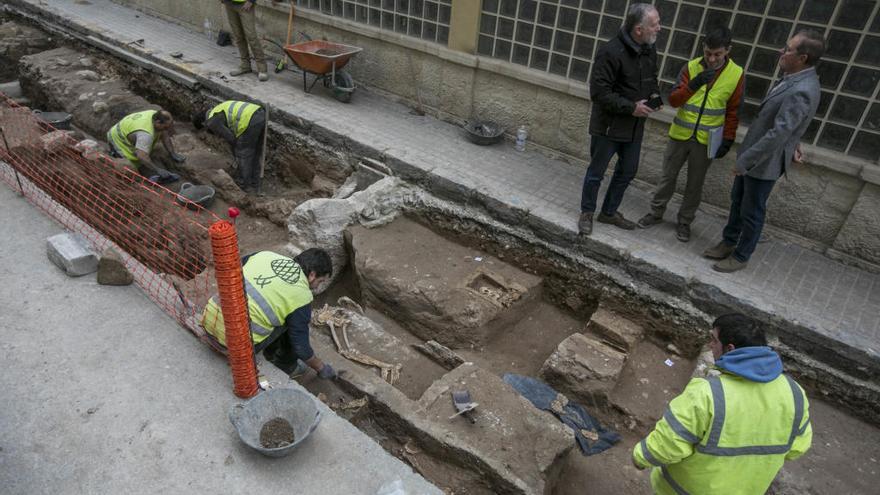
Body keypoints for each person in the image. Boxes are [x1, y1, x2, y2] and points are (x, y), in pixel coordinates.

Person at [632, 313, 812, 494]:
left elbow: (667, 445)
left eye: (714, 340)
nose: (710, 345)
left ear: (729, 348)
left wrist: (640, 457)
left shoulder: (706, 395)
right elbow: (797, 449)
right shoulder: (794, 393)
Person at [704, 30, 825, 272]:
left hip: (763, 162)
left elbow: (779, 133)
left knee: (752, 210)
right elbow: (789, 124)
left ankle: (741, 255)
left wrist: (745, 161)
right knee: (738, 201)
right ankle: (729, 241)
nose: (782, 52)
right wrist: (796, 143)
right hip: (755, 156)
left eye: (788, 49)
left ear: (803, 58)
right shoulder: (792, 78)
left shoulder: (803, 89)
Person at [638, 27, 744, 243]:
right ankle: (656, 213)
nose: (712, 59)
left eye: (718, 54)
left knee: (695, 184)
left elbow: (733, 111)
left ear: (728, 50)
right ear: (703, 48)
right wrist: (694, 85)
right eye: (708, 53)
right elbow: (674, 100)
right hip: (680, 134)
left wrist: (728, 138)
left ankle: (684, 222)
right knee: (667, 177)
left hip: (705, 140)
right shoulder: (691, 67)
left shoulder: (737, 74)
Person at [578, 3, 661, 236]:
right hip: (608, 126)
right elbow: (599, 93)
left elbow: (651, 77)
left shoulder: (649, 49)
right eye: (654, 25)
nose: (659, 29)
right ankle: (587, 212)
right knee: (597, 172)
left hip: (634, 128)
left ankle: (609, 212)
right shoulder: (610, 52)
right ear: (638, 30)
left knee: (627, 171)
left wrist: (654, 95)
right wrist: (631, 108)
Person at [201, 248, 337, 379]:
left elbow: (229, 272)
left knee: (281, 312)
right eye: (320, 281)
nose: (318, 286)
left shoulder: (265, 255)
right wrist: (321, 368)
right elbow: (300, 347)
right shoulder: (302, 297)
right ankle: (286, 366)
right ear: (312, 275)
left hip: (209, 318)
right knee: (293, 324)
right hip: (234, 344)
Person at [192, 100, 266, 194]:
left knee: (243, 153)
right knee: (254, 153)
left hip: (249, 120)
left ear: (203, 123)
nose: (207, 131)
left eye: (204, 129)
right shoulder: (217, 109)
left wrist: (236, 155)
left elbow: (231, 138)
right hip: (259, 113)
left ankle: (243, 184)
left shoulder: (212, 121)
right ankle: (255, 183)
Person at [107, 109, 185, 183]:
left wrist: (172, 153)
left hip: (127, 128)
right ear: (158, 122)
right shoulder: (146, 135)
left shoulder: (155, 114)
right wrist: (157, 170)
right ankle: (115, 154)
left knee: (144, 152)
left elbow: (165, 135)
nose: (166, 130)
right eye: (165, 127)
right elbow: (141, 156)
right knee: (132, 165)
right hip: (117, 138)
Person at [221, 0, 268, 81]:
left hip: (245, 3)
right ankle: (245, 65)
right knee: (238, 36)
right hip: (229, 3)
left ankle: (262, 69)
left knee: (251, 36)